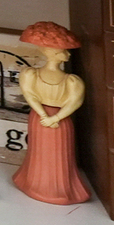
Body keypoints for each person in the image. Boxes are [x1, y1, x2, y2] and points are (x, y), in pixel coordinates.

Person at [11, 20, 93, 206]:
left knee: (60, 154)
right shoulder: (31, 74)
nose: (67, 54)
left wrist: (55, 118)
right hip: (40, 119)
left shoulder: (72, 80)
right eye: (62, 51)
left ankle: (60, 188)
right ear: (52, 53)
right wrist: (43, 116)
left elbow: (75, 102)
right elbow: (30, 95)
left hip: (59, 121)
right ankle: (33, 182)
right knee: (38, 152)